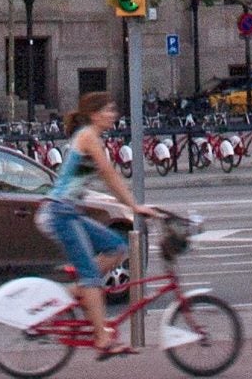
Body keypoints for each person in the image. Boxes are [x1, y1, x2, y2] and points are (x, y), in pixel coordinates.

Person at [45, 91, 157, 358]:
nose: (113, 115)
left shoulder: (93, 137)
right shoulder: (87, 137)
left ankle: (75, 292)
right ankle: (101, 339)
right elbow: (109, 175)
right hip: (61, 212)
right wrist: (134, 206)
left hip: (71, 211)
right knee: (92, 278)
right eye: (108, 110)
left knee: (116, 248)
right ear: (94, 114)